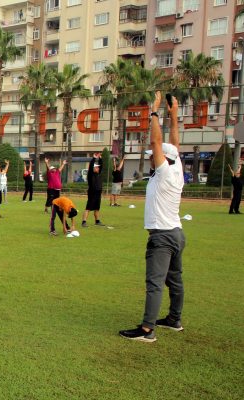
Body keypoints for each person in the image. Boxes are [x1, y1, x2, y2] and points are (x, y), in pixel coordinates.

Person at [120, 91, 186, 342]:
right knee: (175, 280)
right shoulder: (177, 166)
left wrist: (156, 112)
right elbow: (173, 144)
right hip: (177, 234)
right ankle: (174, 319)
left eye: (153, 156)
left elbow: (159, 143)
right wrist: (174, 115)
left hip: (162, 236)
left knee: (155, 283)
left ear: (161, 159)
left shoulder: (165, 173)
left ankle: (147, 330)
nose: (151, 158)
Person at [82, 153, 104, 227]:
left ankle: (97, 221)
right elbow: (91, 166)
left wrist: (100, 158)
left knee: (97, 208)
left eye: (97, 167)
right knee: (88, 208)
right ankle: (84, 222)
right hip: (92, 192)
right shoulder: (91, 174)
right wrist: (94, 158)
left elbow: (102, 166)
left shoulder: (99, 173)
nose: (97, 168)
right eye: (96, 167)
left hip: (98, 192)